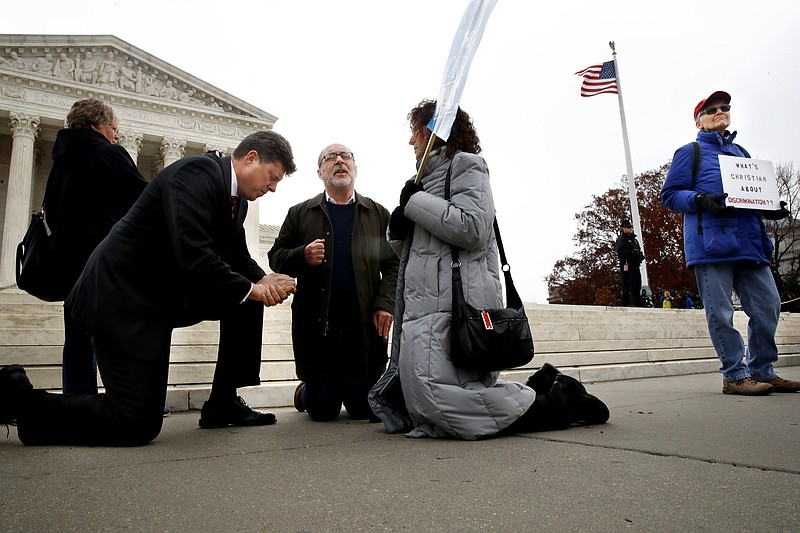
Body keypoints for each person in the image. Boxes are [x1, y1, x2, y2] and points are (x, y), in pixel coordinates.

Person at [0, 131, 299, 446]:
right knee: (136, 423)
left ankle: (223, 402)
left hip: (156, 302)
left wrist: (264, 280)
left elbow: (237, 257)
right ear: (251, 158)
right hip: (120, 299)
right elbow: (193, 256)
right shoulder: (196, 174)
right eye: (272, 177)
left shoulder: (236, 202)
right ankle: (19, 398)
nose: (273, 187)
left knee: (244, 299)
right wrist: (253, 289)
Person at [368, 99, 609, 439]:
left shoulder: (468, 166)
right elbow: (419, 249)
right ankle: (543, 389)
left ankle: (560, 401)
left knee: (442, 401)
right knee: (425, 401)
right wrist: (399, 227)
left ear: (435, 131)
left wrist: (415, 203)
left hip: (453, 305)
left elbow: (472, 227)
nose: (412, 142)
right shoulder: (419, 181)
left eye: (416, 132)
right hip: (422, 307)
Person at [660, 89, 800, 396]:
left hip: (750, 242)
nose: (720, 111)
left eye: (725, 107)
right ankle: (735, 375)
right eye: (712, 109)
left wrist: (770, 207)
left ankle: (762, 369)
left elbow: (752, 194)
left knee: (769, 306)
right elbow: (670, 195)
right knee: (721, 313)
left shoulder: (742, 153)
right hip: (712, 244)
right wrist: (701, 199)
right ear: (699, 122)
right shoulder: (690, 152)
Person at [268, 143, 399, 422]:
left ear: (355, 168)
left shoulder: (377, 213)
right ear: (320, 172)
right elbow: (276, 258)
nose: (339, 161)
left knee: (366, 411)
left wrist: (385, 303)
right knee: (323, 411)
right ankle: (307, 391)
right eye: (330, 158)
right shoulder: (300, 213)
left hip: (363, 330)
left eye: (346, 156)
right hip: (320, 331)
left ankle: (345, 389)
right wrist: (301, 255)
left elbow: (394, 263)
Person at [42, 98, 148, 395]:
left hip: (68, 262)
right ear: (96, 126)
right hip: (104, 261)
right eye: (113, 128)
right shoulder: (108, 154)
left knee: (77, 333)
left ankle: (78, 398)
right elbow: (142, 200)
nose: (116, 135)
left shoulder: (61, 160)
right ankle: (132, 397)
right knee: (118, 333)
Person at [614, 220, 645, 306]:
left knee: (637, 284)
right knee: (627, 284)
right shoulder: (621, 240)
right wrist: (631, 253)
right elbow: (620, 253)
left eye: (631, 227)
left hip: (635, 265)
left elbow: (639, 251)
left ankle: (638, 302)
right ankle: (625, 303)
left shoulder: (634, 240)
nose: (631, 229)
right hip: (627, 264)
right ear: (623, 228)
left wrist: (640, 257)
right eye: (628, 227)